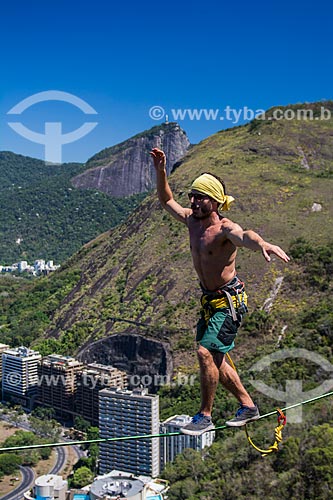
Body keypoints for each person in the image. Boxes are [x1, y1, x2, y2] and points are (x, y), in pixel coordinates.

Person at [150, 148, 290, 435]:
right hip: (209, 302)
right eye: (192, 196)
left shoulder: (225, 229)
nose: (193, 201)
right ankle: (248, 406)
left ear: (214, 202)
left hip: (229, 301)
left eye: (199, 197)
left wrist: (261, 243)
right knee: (217, 359)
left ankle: (204, 415)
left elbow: (245, 236)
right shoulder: (191, 220)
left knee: (205, 353)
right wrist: (161, 170)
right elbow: (166, 200)